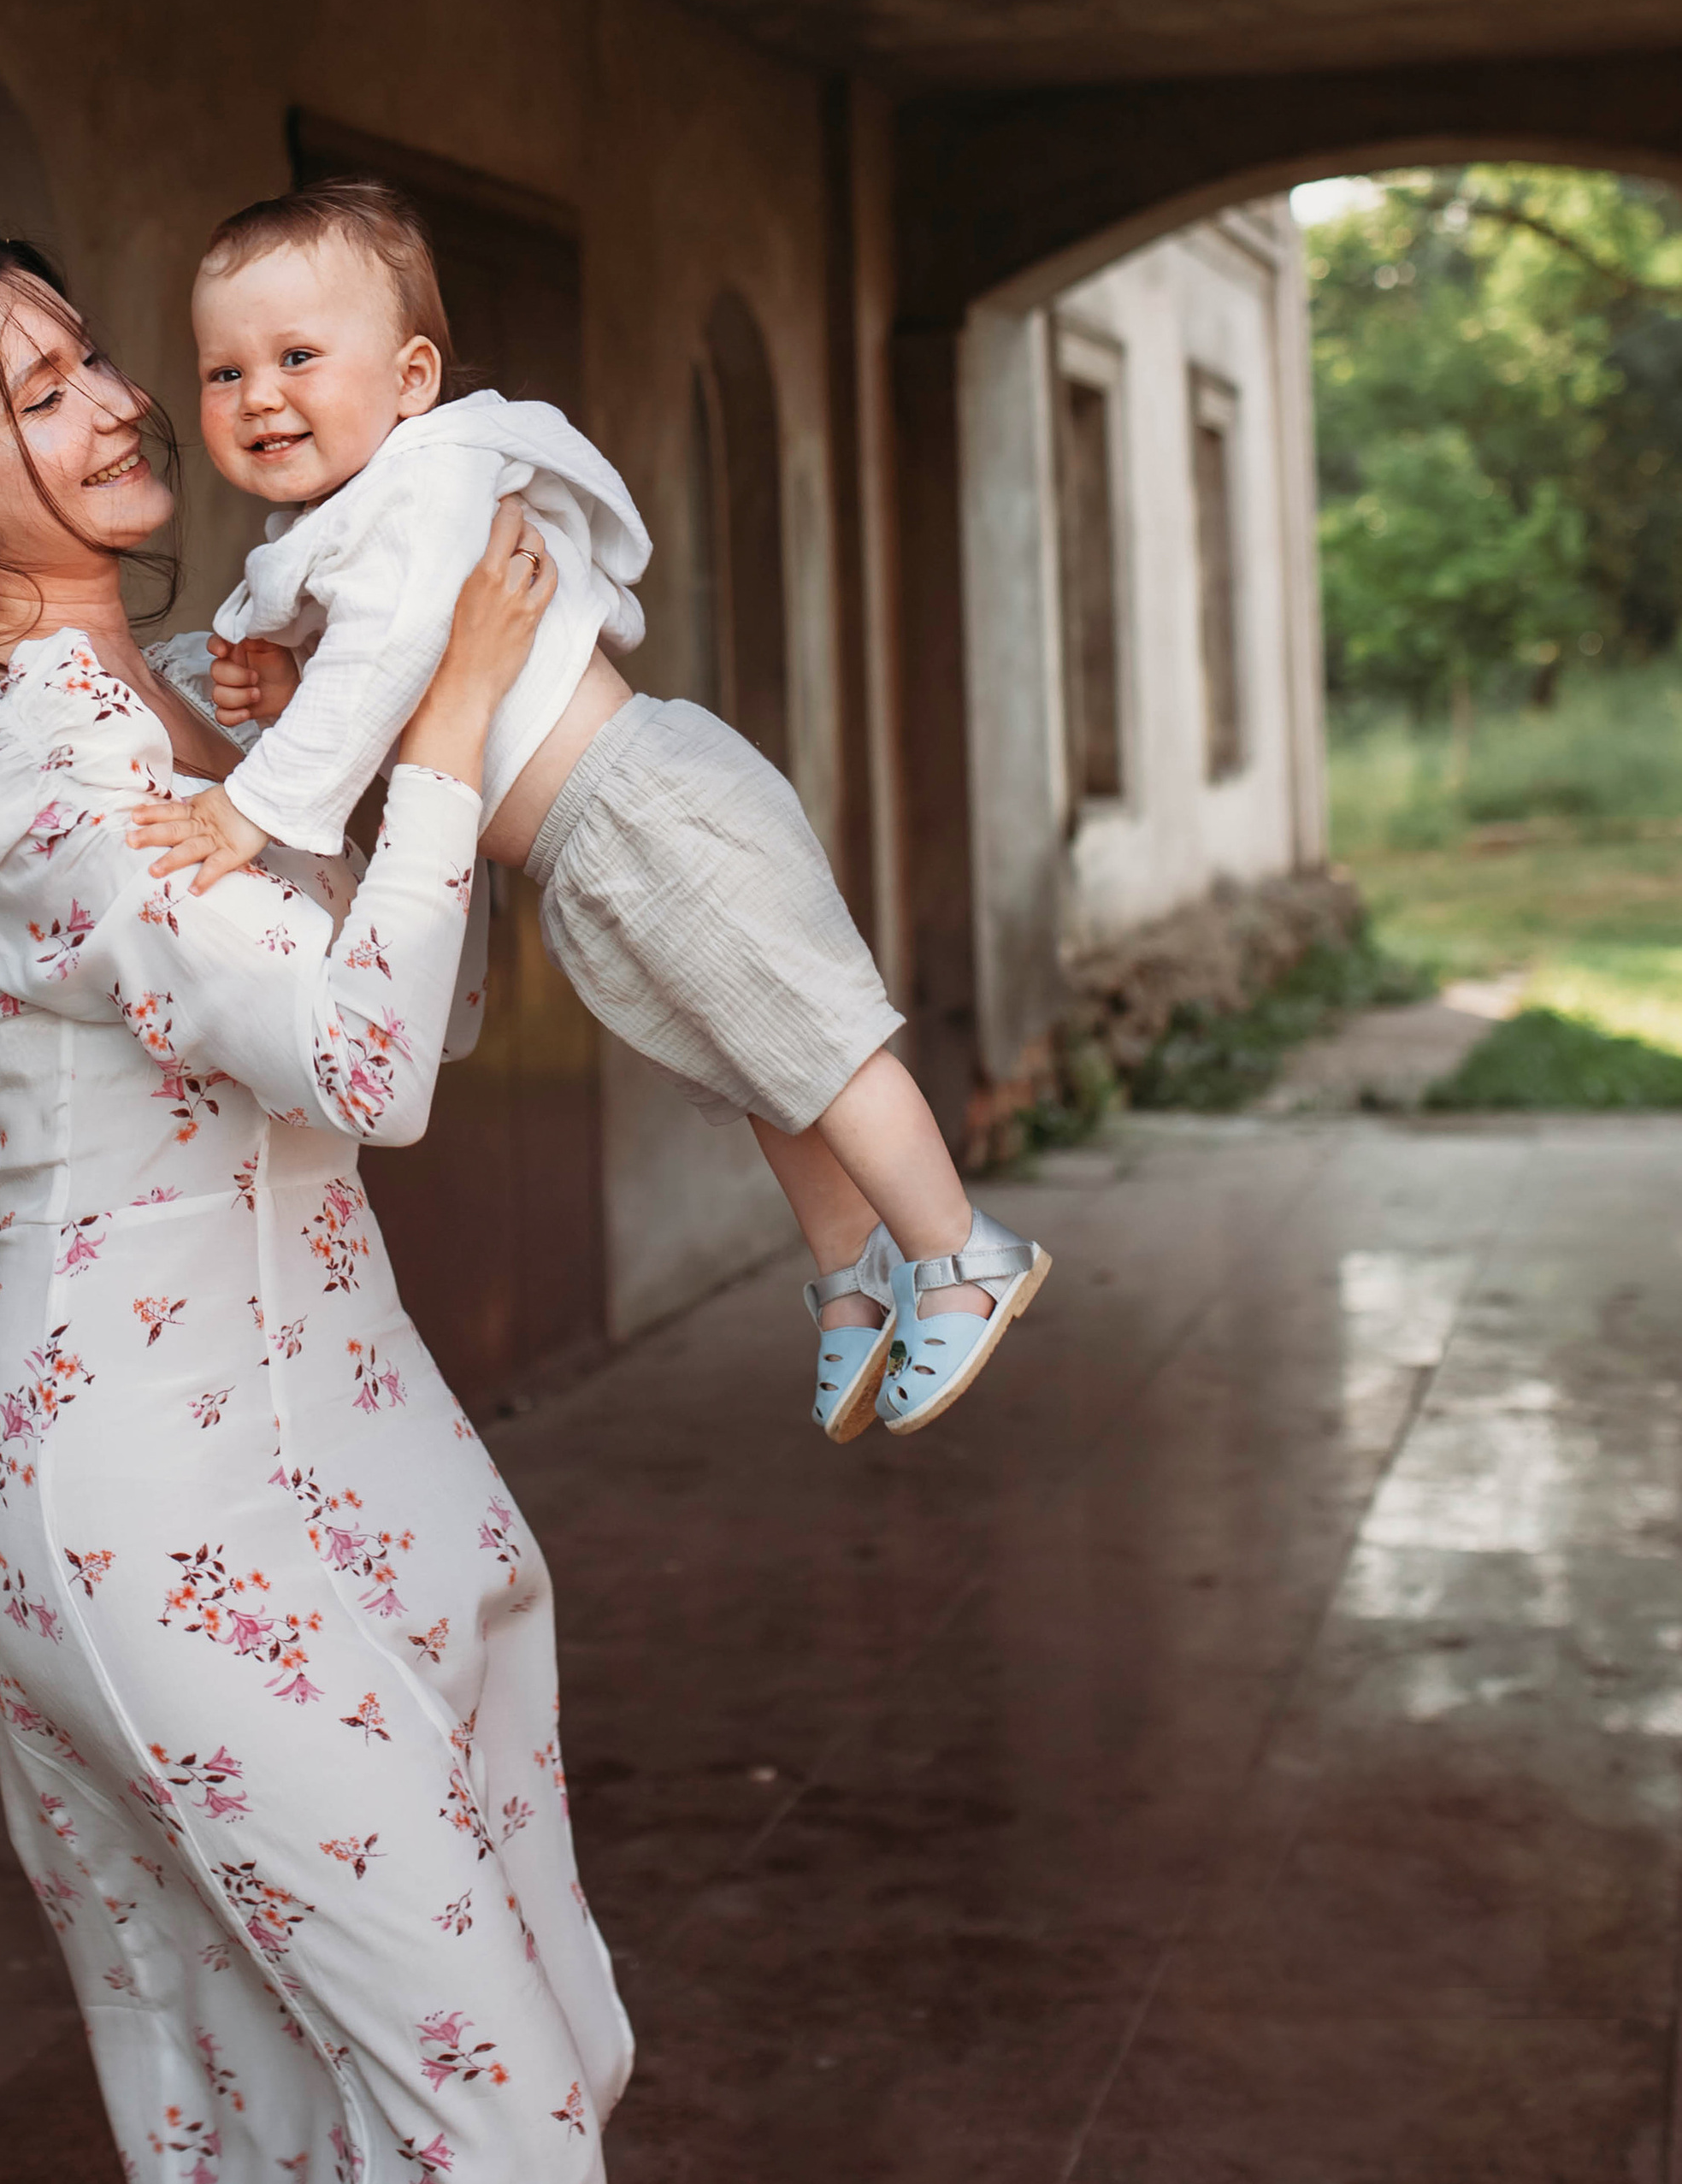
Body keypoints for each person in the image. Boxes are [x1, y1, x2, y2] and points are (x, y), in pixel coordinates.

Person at [0, 221, 631, 2183]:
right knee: (489, 2115)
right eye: (38, 395)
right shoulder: (29, 762)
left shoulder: (171, 716)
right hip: (160, 1506)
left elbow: (428, 1006)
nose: (126, 403)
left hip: (355, 1434)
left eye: (91, 358)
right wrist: (447, 727)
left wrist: (359, 752)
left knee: (509, 2055)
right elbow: (369, 1072)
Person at [133, 180, 1048, 1445]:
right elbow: (412, 709)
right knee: (756, 1062)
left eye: (297, 357)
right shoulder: (350, 525)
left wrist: (255, 804)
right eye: (224, 371)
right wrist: (291, 693)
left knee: (819, 1040)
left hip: (644, 805)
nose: (259, 396)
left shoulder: (425, 486)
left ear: (411, 378)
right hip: (586, 853)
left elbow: (395, 657)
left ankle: (961, 1251)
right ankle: (857, 1276)